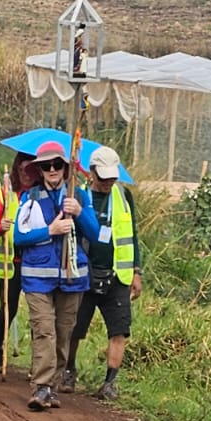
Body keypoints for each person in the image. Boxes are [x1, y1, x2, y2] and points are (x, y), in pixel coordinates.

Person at [14, 140, 97, 410]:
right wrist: (50, 230)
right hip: (37, 277)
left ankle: (52, 386)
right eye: (47, 165)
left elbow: (96, 235)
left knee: (63, 333)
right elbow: (18, 236)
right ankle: (40, 385)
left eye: (57, 165)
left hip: (72, 278)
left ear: (65, 168)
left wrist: (79, 214)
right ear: (40, 169)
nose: (52, 169)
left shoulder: (80, 196)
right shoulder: (30, 198)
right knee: (45, 331)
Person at [65, 145, 140, 401]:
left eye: (112, 177)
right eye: (103, 177)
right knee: (74, 328)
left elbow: (133, 236)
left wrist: (137, 271)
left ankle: (109, 383)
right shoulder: (79, 196)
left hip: (118, 274)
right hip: (84, 273)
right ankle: (68, 370)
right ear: (91, 172)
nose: (108, 183)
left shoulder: (123, 197)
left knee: (118, 330)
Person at [0, 153, 32, 373]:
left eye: (30, 170)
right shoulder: (6, 194)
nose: (26, 174)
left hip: (34, 261)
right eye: (23, 169)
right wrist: (1, 228)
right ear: (17, 169)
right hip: (9, 261)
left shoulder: (37, 194)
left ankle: (39, 361)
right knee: (9, 308)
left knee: (38, 312)